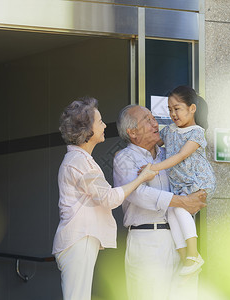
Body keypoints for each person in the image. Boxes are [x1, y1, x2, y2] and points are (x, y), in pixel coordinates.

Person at [52, 97, 157, 300]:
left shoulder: (81, 159)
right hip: (79, 239)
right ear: (87, 130)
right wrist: (142, 178)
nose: (103, 126)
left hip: (80, 239)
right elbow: (108, 198)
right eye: (99, 122)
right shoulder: (78, 161)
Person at [113, 104, 207, 300]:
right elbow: (138, 193)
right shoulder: (124, 158)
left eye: (153, 118)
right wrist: (182, 202)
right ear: (132, 132)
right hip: (147, 241)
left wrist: (195, 196)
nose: (155, 122)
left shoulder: (169, 155)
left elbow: (188, 184)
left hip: (179, 239)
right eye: (147, 120)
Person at [142, 86, 216, 276]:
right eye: (169, 109)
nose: (173, 114)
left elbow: (180, 156)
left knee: (181, 210)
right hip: (179, 182)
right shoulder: (169, 131)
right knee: (172, 213)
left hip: (195, 180)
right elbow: (152, 144)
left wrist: (153, 169)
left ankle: (194, 254)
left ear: (192, 108)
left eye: (177, 108)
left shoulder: (196, 133)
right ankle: (185, 258)